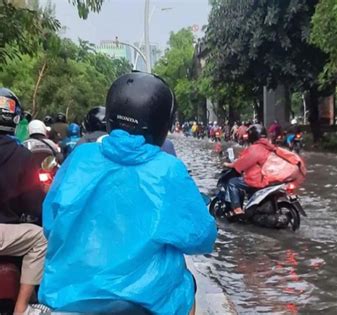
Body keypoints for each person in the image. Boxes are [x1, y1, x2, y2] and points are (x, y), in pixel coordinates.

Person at [39, 72, 217, 315]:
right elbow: (201, 238)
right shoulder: (168, 169)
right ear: (163, 126)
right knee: (186, 286)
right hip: (148, 302)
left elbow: (50, 224)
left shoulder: (80, 157)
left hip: (67, 297)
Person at [0, 88, 47, 315]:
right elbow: (35, 206)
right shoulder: (22, 155)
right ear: (16, 119)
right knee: (40, 238)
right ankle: (21, 308)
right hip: (6, 235)